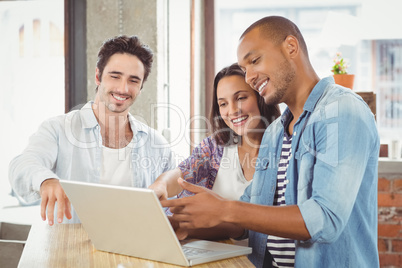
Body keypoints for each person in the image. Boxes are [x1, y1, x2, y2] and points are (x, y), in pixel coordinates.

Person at [162, 16, 380, 268]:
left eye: (255, 61)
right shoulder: (275, 132)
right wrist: (181, 224)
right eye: (245, 69)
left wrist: (226, 209)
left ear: (290, 47)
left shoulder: (341, 111)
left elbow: (325, 218)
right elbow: (248, 216)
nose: (250, 76)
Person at [9, 35, 175, 226]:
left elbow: (173, 202)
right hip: (71, 250)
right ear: (98, 77)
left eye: (133, 80)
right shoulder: (59, 129)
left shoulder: (157, 144)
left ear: (141, 87)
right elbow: (21, 165)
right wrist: (46, 180)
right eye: (115, 76)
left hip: (135, 253)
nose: (123, 88)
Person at [149, 63, 280, 205]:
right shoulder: (215, 147)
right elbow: (183, 173)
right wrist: (161, 184)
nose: (233, 111)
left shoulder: (285, 148)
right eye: (223, 104)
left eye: (241, 98)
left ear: (260, 97)